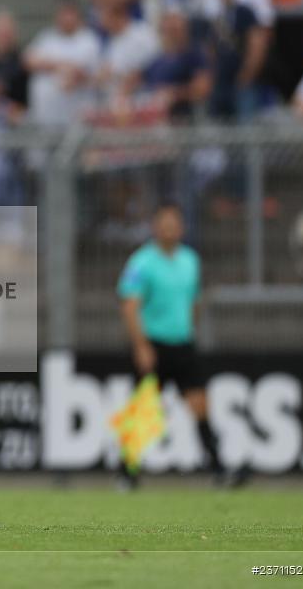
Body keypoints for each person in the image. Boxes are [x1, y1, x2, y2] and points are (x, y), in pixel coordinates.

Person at [117, 203, 248, 490]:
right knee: (144, 410)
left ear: (182, 228)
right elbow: (130, 306)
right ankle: (127, 472)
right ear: (155, 227)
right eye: (164, 223)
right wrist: (141, 345)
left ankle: (218, 468)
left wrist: (187, 328)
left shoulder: (190, 260)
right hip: (154, 346)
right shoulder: (141, 263)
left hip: (183, 345)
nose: (169, 228)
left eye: (174, 223)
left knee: (201, 405)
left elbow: (194, 302)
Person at [24, 0, 100, 126]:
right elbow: (28, 60)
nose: (66, 18)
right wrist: (58, 65)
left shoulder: (88, 39)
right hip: (46, 115)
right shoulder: (47, 37)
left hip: (77, 113)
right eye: (62, 14)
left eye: (69, 14)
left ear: (77, 16)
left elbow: (88, 72)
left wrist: (71, 72)